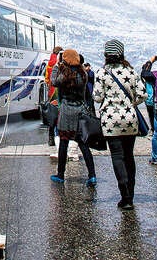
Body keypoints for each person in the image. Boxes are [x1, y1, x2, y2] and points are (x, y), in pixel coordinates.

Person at [93, 38, 145, 210]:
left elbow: (97, 97)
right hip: (130, 118)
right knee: (129, 156)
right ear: (121, 53)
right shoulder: (131, 71)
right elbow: (143, 94)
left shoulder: (102, 73)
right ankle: (131, 194)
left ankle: (125, 196)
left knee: (117, 156)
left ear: (106, 54)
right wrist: (131, 103)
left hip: (110, 120)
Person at [49, 49, 97, 186]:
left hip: (66, 111)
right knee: (83, 144)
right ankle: (92, 175)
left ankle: (60, 174)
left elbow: (53, 81)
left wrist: (57, 66)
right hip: (80, 111)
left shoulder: (63, 75)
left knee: (64, 143)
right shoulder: (83, 75)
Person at [44, 45, 63, 148]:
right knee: (60, 116)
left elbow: (46, 79)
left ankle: (51, 138)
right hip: (59, 92)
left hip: (51, 93)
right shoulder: (61, 64)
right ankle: (59, 138)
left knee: (52, 116)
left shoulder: (49, 64)